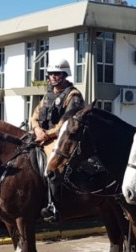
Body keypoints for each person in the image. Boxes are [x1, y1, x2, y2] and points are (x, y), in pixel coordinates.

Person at [30, 58, 85, 221]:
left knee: (51, 166)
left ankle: (53, 205)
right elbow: (34, 116)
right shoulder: (47, 95)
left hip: (60, 139)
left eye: (56, 74)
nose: (52, 76)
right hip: (41, 136)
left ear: (64, 75)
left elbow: (68, 123)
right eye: (51, 73)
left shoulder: (73, 95)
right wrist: (37, 129)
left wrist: (47, 134)